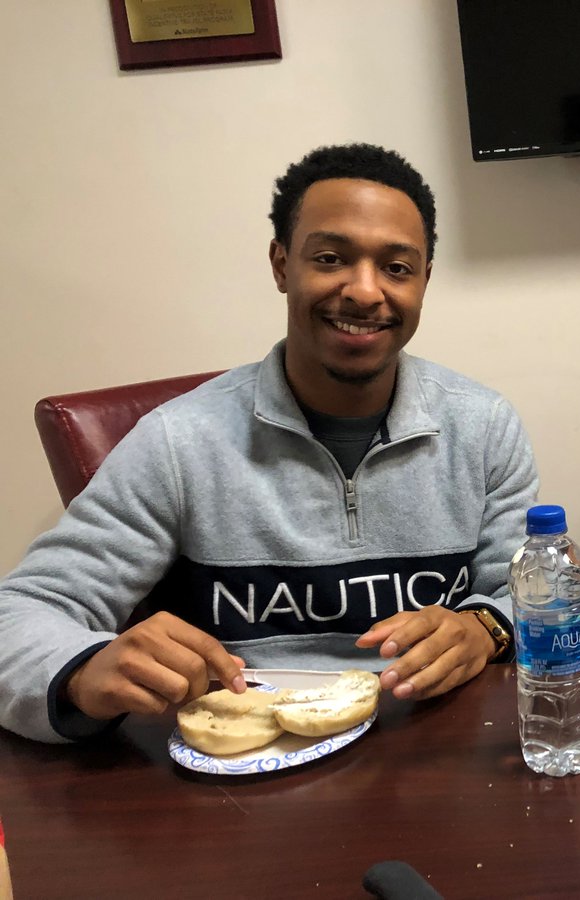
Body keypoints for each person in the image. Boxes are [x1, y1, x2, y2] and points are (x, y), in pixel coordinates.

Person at [0, 144, 537, 743]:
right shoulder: (180, 442)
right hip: (243, 777)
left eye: (397, 267)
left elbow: (535, 593)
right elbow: (20, 615)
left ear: (424, 281)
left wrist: (486, 626)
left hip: (439, 758)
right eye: (331, 258)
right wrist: (80, 672)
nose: (364, 291)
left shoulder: (484, 426)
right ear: (282, 265)